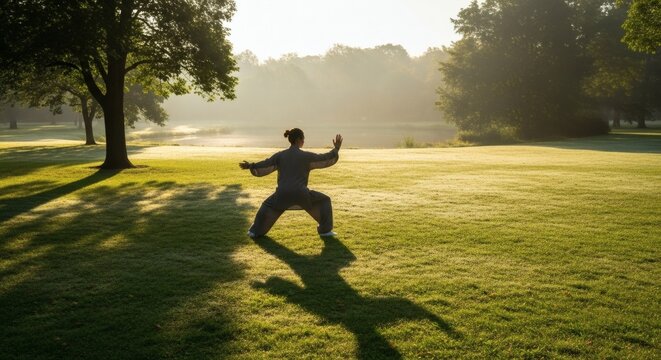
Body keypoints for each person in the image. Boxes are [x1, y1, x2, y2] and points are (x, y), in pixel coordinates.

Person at [239, 128, 343, 238]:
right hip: (302, 194)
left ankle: (254, 232)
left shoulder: (280, 155)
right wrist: (336, 149)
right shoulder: (306, 156)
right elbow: (324, 158)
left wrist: (251, 166)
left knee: (266, 206)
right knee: (324, 200)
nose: (304, 141)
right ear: (299, 139)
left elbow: (265, 164)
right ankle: (325, 231)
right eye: (303, 139)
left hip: (282, 194)